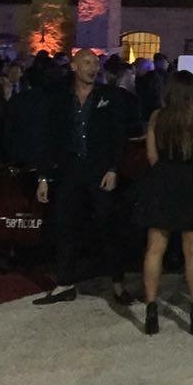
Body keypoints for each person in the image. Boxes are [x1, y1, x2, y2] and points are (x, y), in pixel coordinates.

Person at [33, 48, 139, 306]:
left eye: (96, 63)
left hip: (99, 170)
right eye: (87, 62)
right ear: (73, 66)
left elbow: (118, 135)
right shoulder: (60, 98)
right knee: (65, 225)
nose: (93, 68)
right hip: (69, 169)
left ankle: (117, 283)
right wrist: (44, 176)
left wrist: (113, 168)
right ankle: (65, 282)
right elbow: (49, 137)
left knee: (108, 226)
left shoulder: (109, 96)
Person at [134, 71, 193, 336]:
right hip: (190, 184)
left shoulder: (157, 117)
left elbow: (152, 156)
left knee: (155, 249)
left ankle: (151, 308)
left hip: (162, 182)